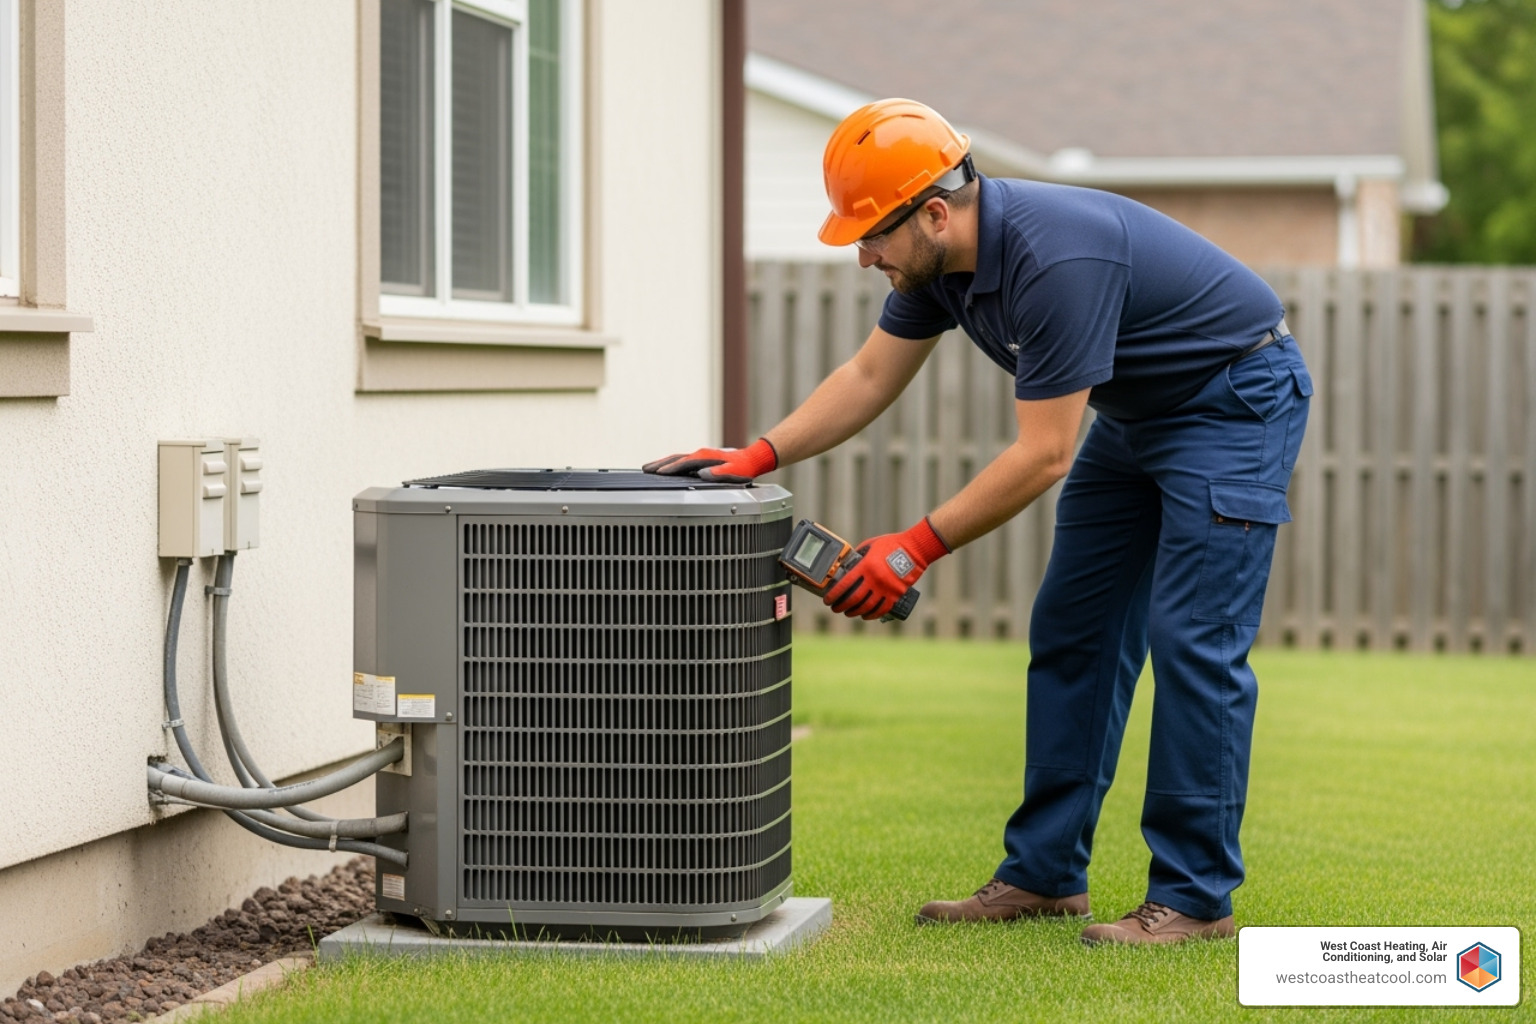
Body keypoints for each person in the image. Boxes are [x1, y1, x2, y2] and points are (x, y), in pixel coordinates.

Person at [643, 99, 1310, 946]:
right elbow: (869, 374)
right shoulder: (940, 269)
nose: (862, 256)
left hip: (1233, 403)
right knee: (1074, 628)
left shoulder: (1055, 258)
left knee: (1193, 642)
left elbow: (1042, 454)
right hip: (1138, 417)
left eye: (872, 235)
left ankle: (1194, 898)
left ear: (934, 211)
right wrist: (759, 455)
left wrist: (913, 550)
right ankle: (1044, 873)